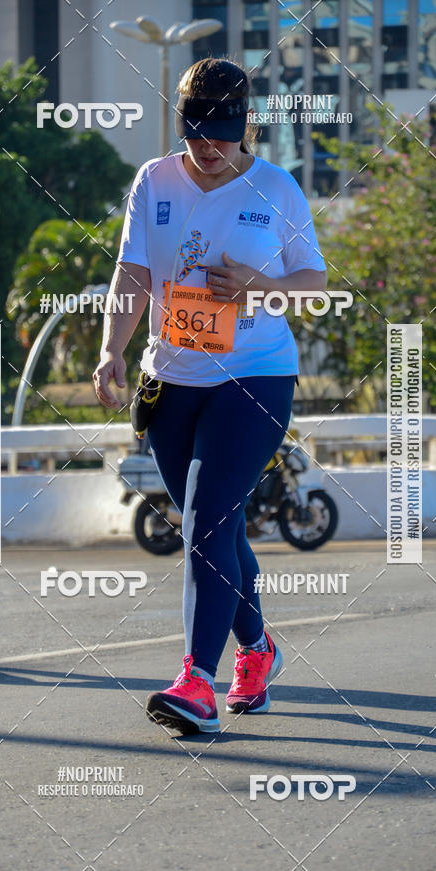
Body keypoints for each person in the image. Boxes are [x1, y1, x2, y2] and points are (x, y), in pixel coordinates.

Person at [94, 59, 326, 734]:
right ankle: (257, 649)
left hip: (255, 376)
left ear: (245, 123)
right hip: (172, 379)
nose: (209, 145)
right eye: (197, 130)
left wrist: (258, 284)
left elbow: (312, 282)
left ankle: (197, 680)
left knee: (206, 522)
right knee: (210, 522)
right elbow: (133, 271)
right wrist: (112, 350)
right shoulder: (154, 180)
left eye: (222, 132)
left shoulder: (276, 188)